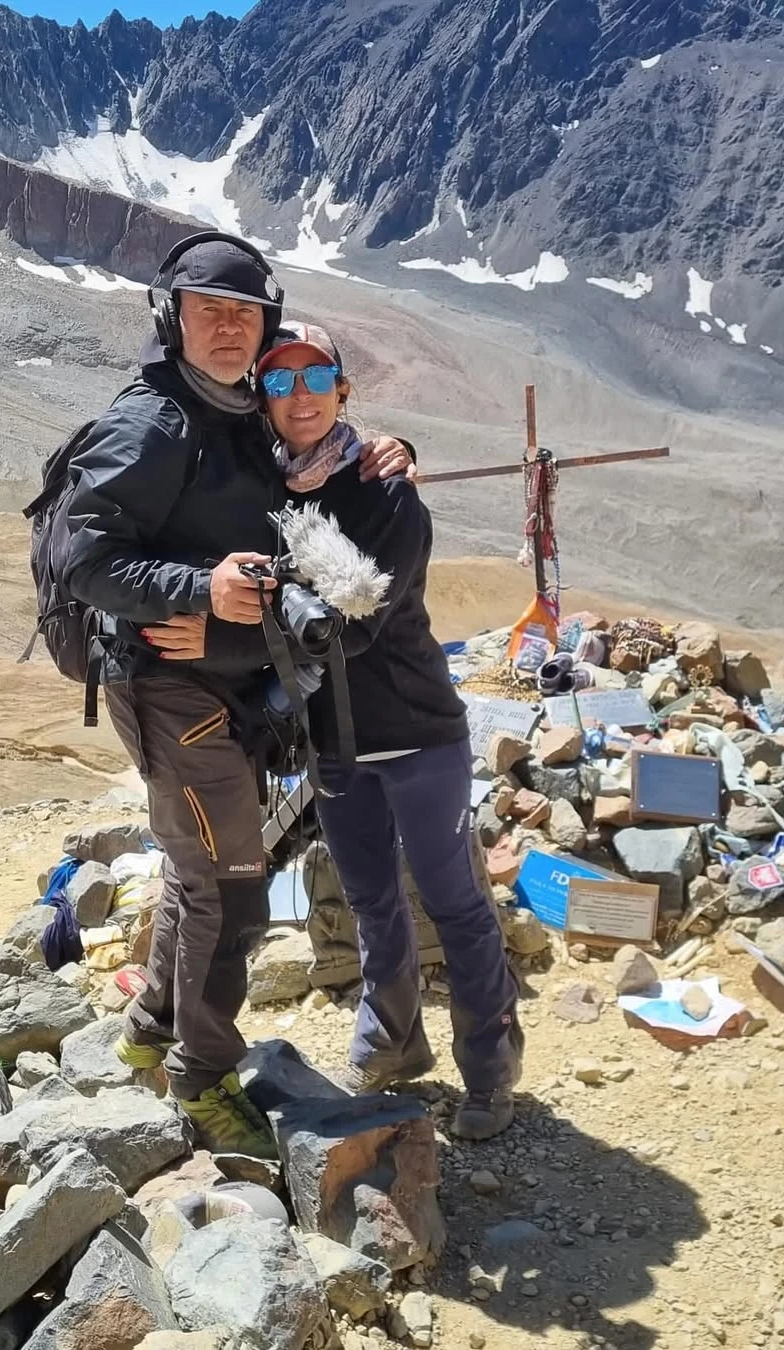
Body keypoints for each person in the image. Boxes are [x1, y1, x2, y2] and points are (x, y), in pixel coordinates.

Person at [62, 232, 412, 1158]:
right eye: (208, 311)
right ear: (169, 317)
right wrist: (199, 594)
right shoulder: (157, 425)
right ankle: (204, 1079)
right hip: (171, 689)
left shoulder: (238, 412)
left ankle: (150, 1037)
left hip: (218, 685)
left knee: (194, 872)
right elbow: (82, 556)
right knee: (233, 889)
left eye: (244, 313)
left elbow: (293, 497)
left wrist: (385, 449)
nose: (227, 328)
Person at [251, 321, 524, 1140]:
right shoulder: (264, 493)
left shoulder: (387, 491)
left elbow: (356, 624)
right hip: (335, 745)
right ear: (261, 401)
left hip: (416, 734)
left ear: (343, 388)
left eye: (313, 376)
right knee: (372, 904)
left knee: (454, 901)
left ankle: (489, 1068)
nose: (297, 395)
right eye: (277, 381)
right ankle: (390, 1043)